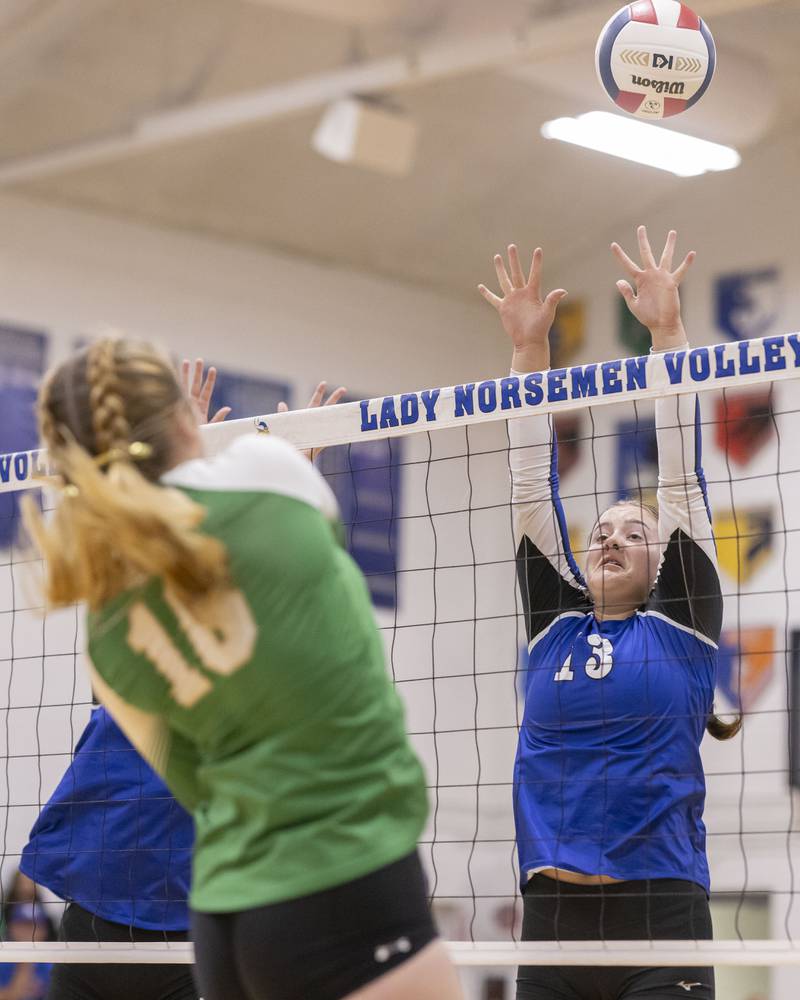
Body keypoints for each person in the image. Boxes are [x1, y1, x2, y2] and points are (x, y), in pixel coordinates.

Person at [22, 339, 464, 1000]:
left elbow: (194, 785)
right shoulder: (267, 471)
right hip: (345, 870)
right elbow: (318, 566)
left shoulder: (107, 625)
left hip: (227, 914)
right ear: (182, 420)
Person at [479, 227, 740, 1000]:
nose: (611, 536)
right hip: (553, 921)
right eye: (602, 530)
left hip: (661, 911)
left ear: (666, 564)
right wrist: (529, 357)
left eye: (636, 532)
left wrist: (667, 333)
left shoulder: (683, 623)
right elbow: (533, 487)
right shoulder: (555, 625)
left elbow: (683, 476)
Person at [0, 900, 52, 1000]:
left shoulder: (53, 964)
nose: (28, 931)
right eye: (23, 924)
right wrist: (25, 963)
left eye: (35, 925)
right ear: (11, 927)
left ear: (45, 930)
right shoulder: (2, 961)